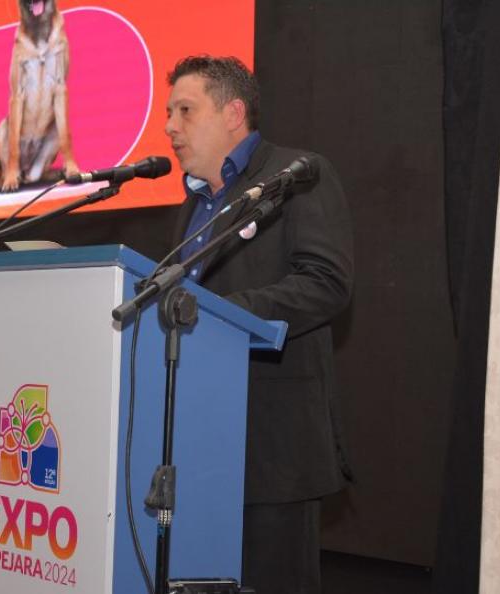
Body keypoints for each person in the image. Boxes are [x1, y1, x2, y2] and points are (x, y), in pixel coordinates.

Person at [163, 55, 355, 594]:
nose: (170, 127)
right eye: (168, 113)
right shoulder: (193, 205)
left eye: (184, 110)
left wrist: (221, 311)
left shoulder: (298, 176)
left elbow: (326, 283)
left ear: (233, 113)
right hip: (196, 440)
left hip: (273, 445)